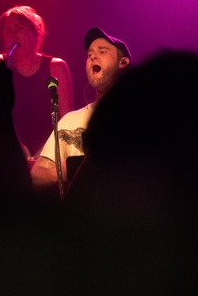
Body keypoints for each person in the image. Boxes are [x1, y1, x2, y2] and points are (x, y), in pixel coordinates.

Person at [31, 26, 130, 187]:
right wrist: (69, 169)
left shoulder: (143, 117)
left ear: (123, 62)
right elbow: (36, 176)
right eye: (89, 54)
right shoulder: (70, 121)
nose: (93, 57)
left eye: (102, 51)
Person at [0, 5, 74, 159]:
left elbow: (66, 121)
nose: (12, 36)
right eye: (7, 31)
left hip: (50, 158)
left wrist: (42, 156)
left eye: (19, 29)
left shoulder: (56, 67)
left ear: (36, 33)